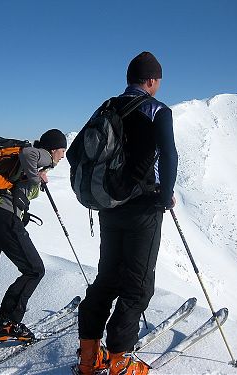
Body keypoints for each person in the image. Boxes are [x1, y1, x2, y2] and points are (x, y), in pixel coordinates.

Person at [75, 52, 178, 375]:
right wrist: (165, 194)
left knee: (107, 277)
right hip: (143, 208)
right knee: (137, 284)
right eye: (158, 79)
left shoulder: (108, 106)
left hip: (109, 206)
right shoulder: (156, 110)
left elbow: (77, 151)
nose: (159, 84)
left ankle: (90, 356)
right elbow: (170, 155)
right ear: (151, 81)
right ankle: (120, 358)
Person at [0, 129, 67, 351]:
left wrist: (34, 177)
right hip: (3, 219)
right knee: (34, 269)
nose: (62, 156)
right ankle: (8, 322)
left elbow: (22, 183)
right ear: (54, 148)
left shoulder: (20, 163)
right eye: (62, 150)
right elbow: (29, 155)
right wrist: (37, 176)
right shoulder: (41, 154)